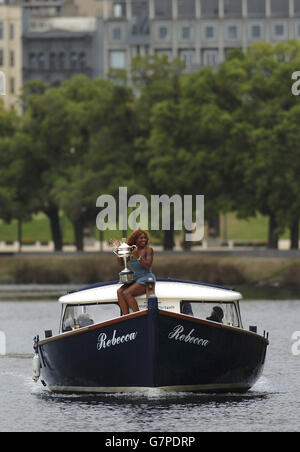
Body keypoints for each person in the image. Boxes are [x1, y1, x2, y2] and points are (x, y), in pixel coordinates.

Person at [114, 230, 156, 316]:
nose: (143, 239)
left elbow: (148, 266)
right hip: (136, 278)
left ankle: (138, 316)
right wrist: (119, 252)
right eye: (141, 238)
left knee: (127, 293)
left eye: (145, 238)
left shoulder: (149, 250)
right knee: (119, 292)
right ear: (135, 239)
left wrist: (139, 258)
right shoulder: (131, 250)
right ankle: (126, 317)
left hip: (146, 277)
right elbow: (122, 263)